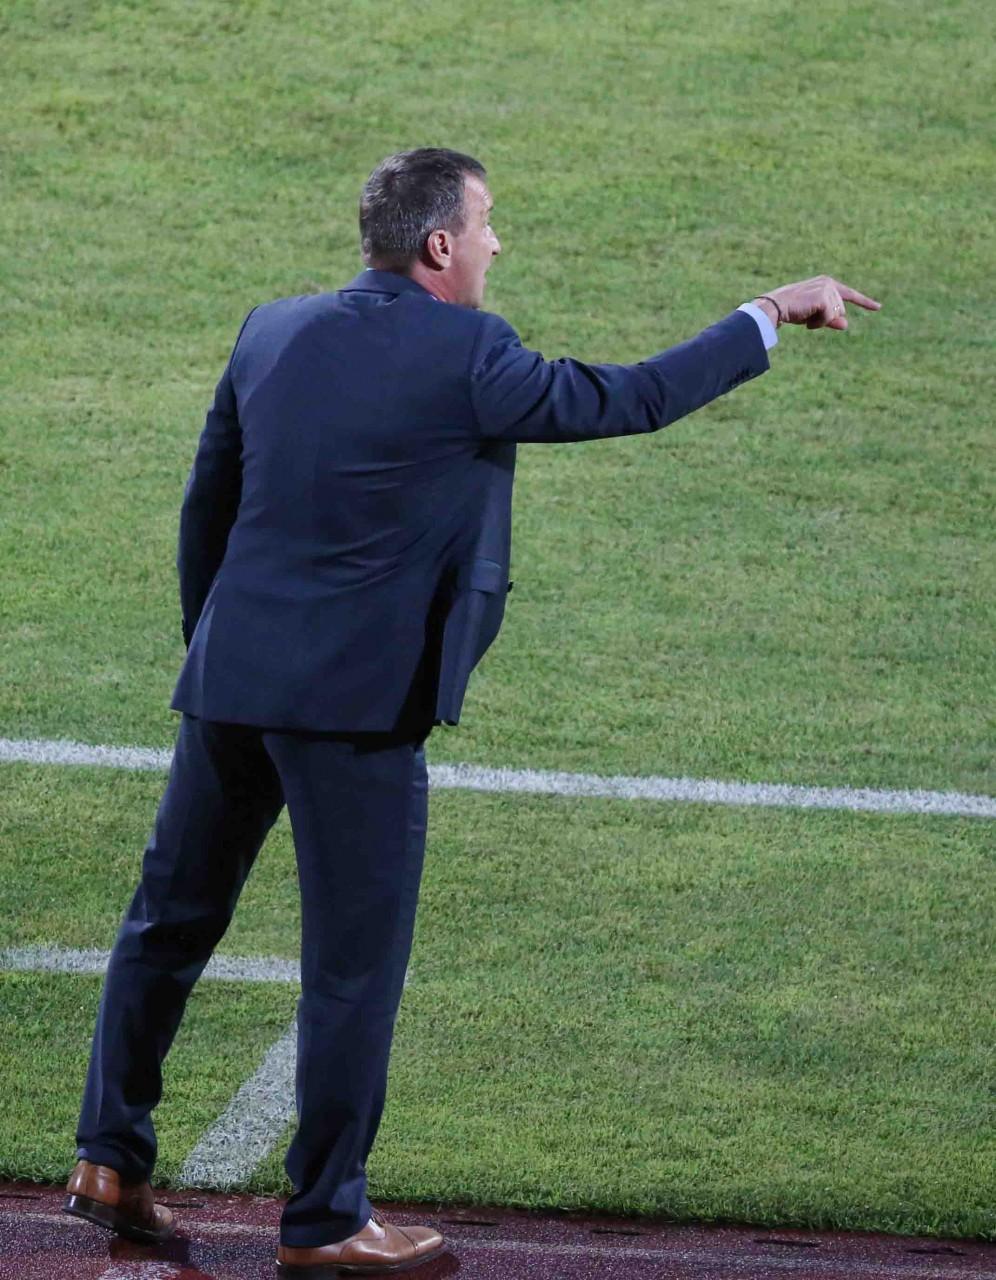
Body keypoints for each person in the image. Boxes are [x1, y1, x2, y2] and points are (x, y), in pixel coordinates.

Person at [63, 147, 881, 1276]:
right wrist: (769, 312)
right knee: (351, 968)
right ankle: (326, 1220)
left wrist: (219, 646)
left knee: (168, 921)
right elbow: (632, 398)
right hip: (357, 712)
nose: (498, 241)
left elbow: (209, 503)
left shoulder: (272, 330)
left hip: (231, 685)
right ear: (439, 244)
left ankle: (108, 1160)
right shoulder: (470, 353)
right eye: (488, 221)